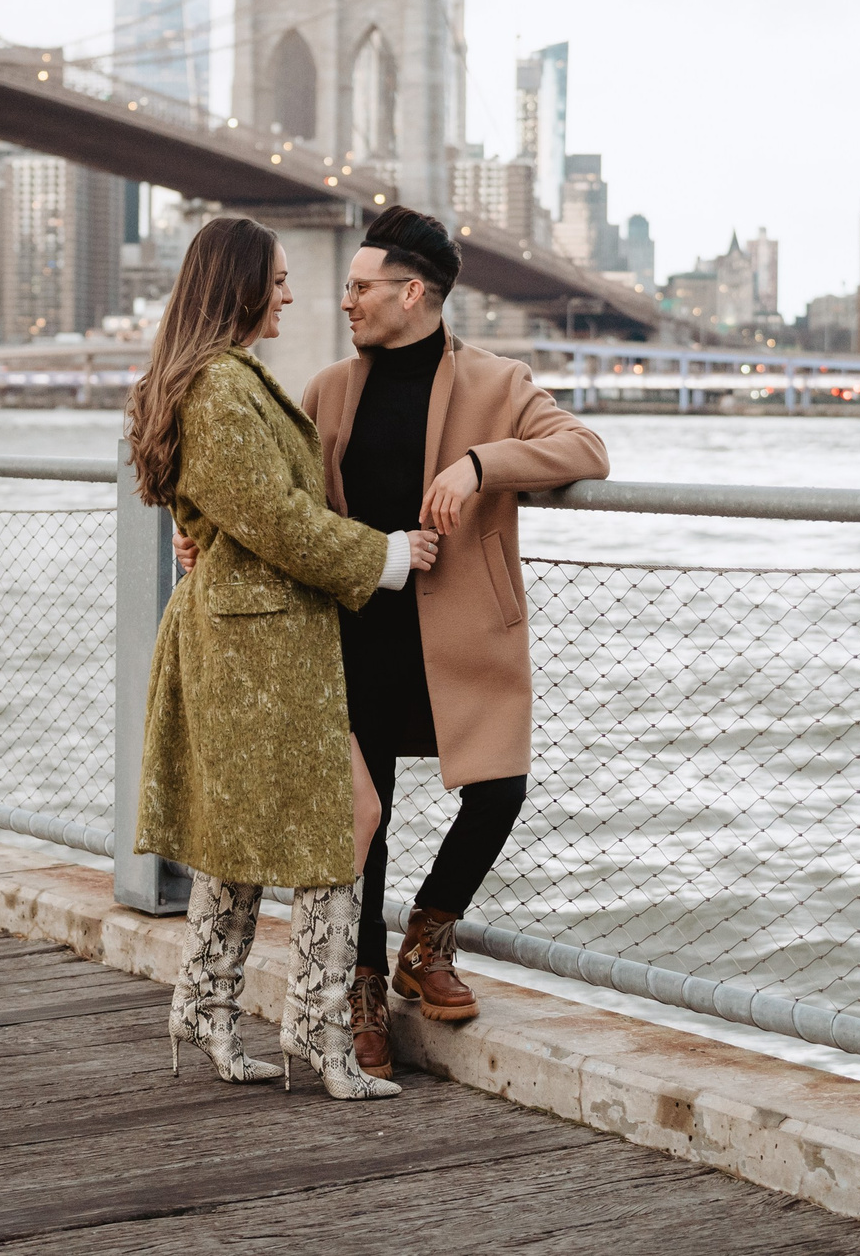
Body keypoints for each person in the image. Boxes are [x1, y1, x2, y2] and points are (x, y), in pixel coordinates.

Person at [127, 214, 437, 1101]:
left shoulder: (216, 378)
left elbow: (232, 510)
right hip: (257, 649)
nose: (293, 297)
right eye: (280, 280)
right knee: (346, 815)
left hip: (255, 640)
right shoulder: (219, 388)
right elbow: (278, 519)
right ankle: (319, 1029)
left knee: (249, 830)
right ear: (239, 286)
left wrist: (204, 536)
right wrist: (387, 555)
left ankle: (207, 1005)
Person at [303, 205, 608, 1078]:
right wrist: (200, 531)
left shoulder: (498, 382)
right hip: (358, 629)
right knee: (366, 815)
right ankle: (363, 983)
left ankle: (428, 939)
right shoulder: (330, 390)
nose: (346, 300)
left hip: (467, 631)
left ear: (412, 293)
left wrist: (479, 465)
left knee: (500, 788)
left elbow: (585, 448)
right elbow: (285, 501)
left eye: (360, 286)